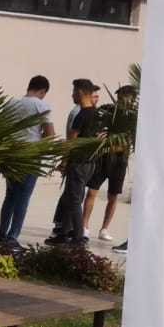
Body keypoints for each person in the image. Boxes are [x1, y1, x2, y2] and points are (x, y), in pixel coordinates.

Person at [0, 75, 56, 245]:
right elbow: (50, 134)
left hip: (11, 154)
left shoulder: (11, 103)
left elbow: (2, 128)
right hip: (31, 156)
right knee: (23, 198)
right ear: (43, 91)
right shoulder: (41, 105)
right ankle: (13, 236)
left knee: (10, 196)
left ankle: (2, 233)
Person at [47, 80, 105, 246]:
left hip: (78, 163)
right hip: (90, 162)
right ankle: (63, 233)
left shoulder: (82, 115)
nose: (72, 95)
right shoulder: (97, 114)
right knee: (69, 197)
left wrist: (64, 162)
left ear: (80, 92)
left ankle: (78, 237)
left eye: (73, 92)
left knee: (74, 200)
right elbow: (102, 138)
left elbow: (71, 142)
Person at [83, 82, 136, 243]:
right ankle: (84, 226)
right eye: (118, 98)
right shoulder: (108, 110)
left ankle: (104, 229)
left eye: (124, 98)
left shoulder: (135, 117)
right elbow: (96, 125)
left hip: (120, 159)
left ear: (132, 99)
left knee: (113, 196)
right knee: (92, 191)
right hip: (103, 156)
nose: (120, 101)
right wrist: (100, 134)